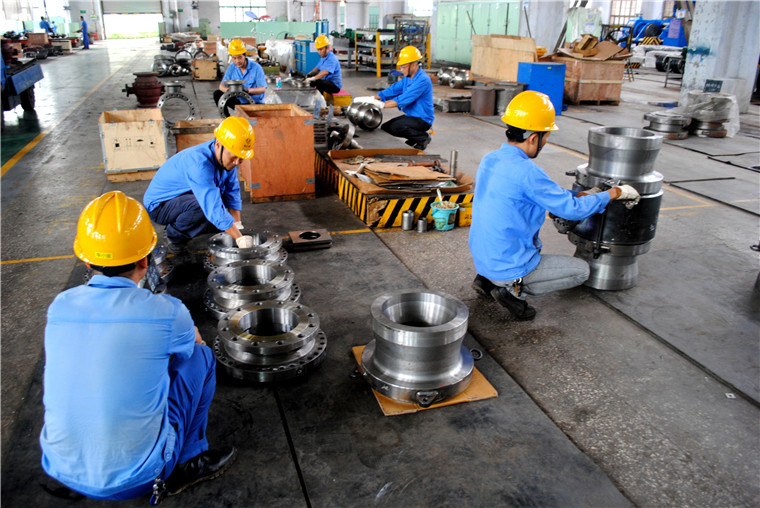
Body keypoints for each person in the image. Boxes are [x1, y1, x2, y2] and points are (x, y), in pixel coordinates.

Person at [40, 191, 236, 501]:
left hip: (62, 468)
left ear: (87, 260)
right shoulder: (166, 311)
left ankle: (89, 464)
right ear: (145, 261)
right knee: (200, 357)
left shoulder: (60, 306)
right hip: (139, 477)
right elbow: (192, 345)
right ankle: (188, 460)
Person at [468, 91, 641, 321]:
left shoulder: (491, 159)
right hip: (509, 263)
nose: (546, 141)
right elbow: (573, 210)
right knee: (581, 271)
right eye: (546, 136)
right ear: (533, 138)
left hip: (483, 256)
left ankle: (487, 280)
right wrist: (614, 193)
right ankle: (512, 290)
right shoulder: (528, 172)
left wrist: (579, 194)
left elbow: (535, 193)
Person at [143, 116, 256, 253]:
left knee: (221, 212)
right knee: (203, 206)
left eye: (241, 158)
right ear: (218, 145)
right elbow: (211, 205)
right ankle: (174, 236)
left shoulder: (226, 158)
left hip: (183, 197)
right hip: (160, 206)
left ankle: (191, 223)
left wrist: (237, 224)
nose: (237, 162)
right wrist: (239, 239)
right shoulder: (199, 164)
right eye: (234, 157)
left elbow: (232, 191)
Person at [373, 45, 434, 150]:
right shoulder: (407, 78)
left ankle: (422, 137)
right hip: (411, 116)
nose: (401, 70)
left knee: (396, 127)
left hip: (422, 119)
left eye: (404, 67)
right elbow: (393, 89)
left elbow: (403, 99)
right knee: (385, 128)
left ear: (414, 64)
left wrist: (381, 105)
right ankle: (414, 138)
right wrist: (375, 97)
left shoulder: (423, 80)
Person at [213, 38, 267, 116]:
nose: (237, 61)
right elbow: (221, 86)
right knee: (217, 94)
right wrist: (229, 91)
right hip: (239, 101)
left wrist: (248, 90)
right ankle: (227, 119)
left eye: (239, 57)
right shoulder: (232, 68)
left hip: (254, 102)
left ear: (245, 55)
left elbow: (263, 89)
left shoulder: (256, 68)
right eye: (234, 58)